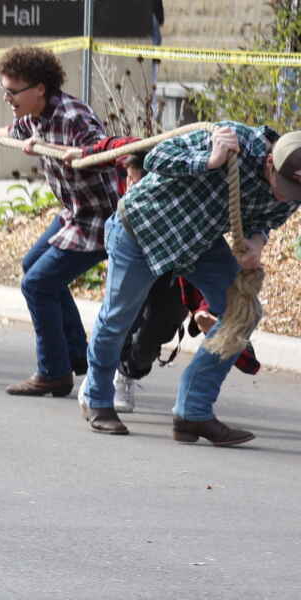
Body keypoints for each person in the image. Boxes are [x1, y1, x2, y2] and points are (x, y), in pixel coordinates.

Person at [75, 123, 301, 444]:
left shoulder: (293, 189)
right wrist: (209, 161)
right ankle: (97, 399)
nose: (287, 198)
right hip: (143, 228)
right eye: (284, 189)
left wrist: (256, 241)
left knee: (243, 313)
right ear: (269, 163)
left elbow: (267, 219)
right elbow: (156, 158)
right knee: (118, 319)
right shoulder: (231, 138)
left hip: (199, 241)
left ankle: (193, 412)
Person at [0, 46, 121, 398]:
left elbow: (107, 155)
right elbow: (13, 130)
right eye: (5, 89)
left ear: (40, 88)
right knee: (32, 265)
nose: (8, 97)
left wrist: (76, 155)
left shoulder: (72, 116)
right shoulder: (33, 114)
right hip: (73, 212)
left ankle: (53, 372)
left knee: (37, 284)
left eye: (13, 91)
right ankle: (76, 353)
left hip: (100, 219)